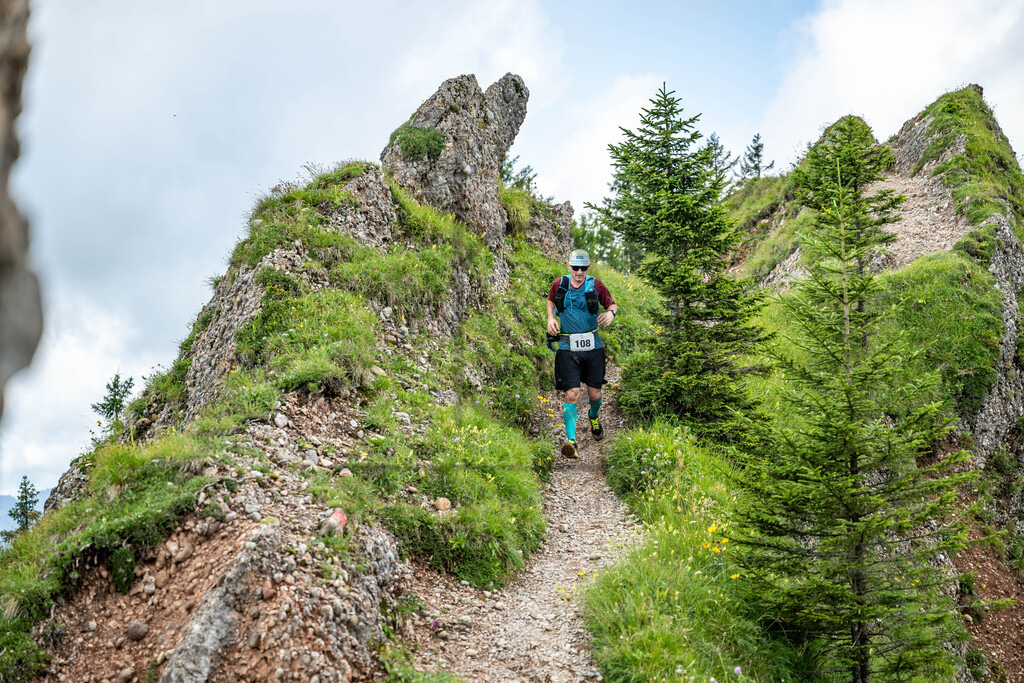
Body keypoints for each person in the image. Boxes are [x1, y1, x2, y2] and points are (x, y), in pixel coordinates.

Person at [546, 249, 617, 458]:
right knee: (572, 393)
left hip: (593, 347)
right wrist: (550, 318)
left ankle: (593, 416)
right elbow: (551, 301)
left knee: (595, 394)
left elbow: (611, 304)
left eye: (583, 268)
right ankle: (571, 441)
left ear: (588, 267)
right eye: (575, 268)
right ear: (569, 266)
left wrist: (610, 314)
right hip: (568, 348)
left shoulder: (596, 285)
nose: (579, 272)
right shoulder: (560, 284)